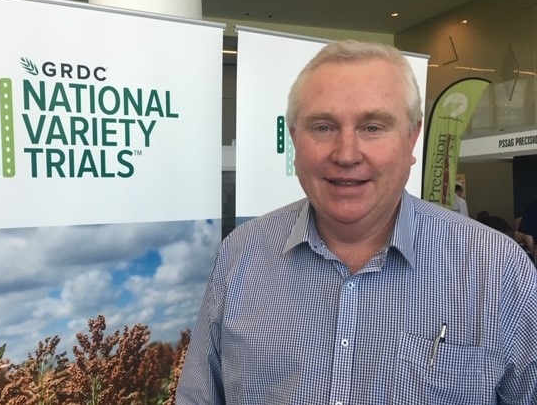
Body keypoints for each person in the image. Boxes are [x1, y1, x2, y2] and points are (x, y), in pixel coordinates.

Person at [175, 40, 537, 404]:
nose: (346, 154)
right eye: (323, 127)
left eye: (373, 127)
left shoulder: (497, 270)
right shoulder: (241, 254)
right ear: (295, 138)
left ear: (412, 138)